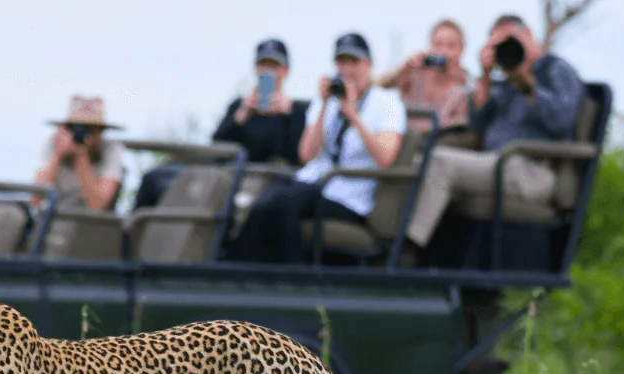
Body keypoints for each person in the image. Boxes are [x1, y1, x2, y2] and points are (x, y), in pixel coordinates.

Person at [401, 14, 585, 250]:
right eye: (498, 46)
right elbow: (477, 125)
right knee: (415, 161)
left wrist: (527, 83)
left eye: (512, 41)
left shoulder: (556, 70)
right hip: (495, 165)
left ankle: (407, 251)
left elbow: (561, 121)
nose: (508, 50)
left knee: (439, 164)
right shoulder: (505, 79)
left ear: (528, 36)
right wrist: (486, 76)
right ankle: (417, 249)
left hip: (532, 169)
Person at [228, 32, 406, 264]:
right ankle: (236, 269)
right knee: (264, 202)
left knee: (286, 204)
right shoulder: (329, 102)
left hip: (351, 195)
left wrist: (354, 116)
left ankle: (295, 277)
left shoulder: (387, 103)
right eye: (342, 62)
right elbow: (307, 155)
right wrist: (323, 106)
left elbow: (385, 159)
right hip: (314, 183)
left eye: (354, 62)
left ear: (369, 65)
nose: (347, 69)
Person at [133, 38, 309, 209]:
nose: (267, 71)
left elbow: (298, 157)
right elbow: (216, 146)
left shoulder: (298, 111)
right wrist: (239, 118)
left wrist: (288, 116)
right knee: (155, 178)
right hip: (227, 174)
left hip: (264, 179)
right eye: (263, 65)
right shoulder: (239, 107)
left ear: (285, 71)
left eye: (274, 66)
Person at [376, 19, 472, 138]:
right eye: (438, 45)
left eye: (451, 46)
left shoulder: (466, 86)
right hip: (406, 143)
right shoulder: (415, 73)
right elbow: (381, 86)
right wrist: (404, 68)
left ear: (461, 49)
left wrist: (460, 79)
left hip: (440, 147)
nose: (443, 51)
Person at [31, 95, 126, 213]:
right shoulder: (54, 144)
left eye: (90, 128)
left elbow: (97, 205)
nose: (82, 133)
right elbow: (36, 198)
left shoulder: (110, 150)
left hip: (89, 224)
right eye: (75, 127)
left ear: (100, 131)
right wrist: (57, 155)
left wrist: (81, 157)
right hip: (56, 217)